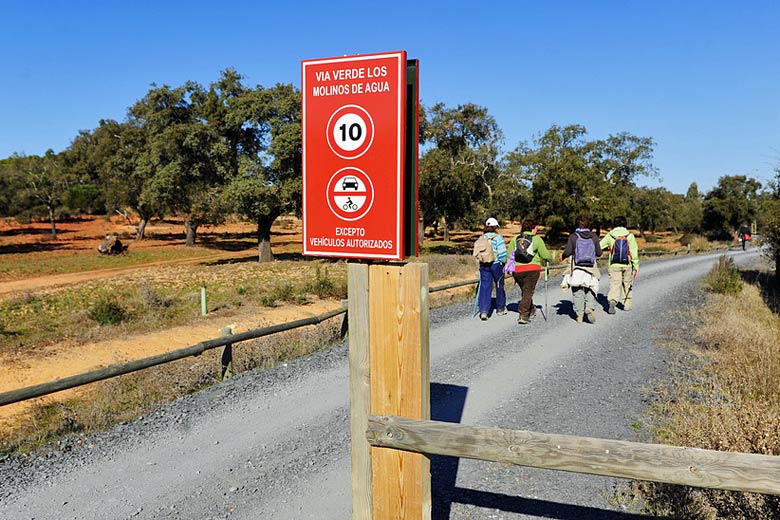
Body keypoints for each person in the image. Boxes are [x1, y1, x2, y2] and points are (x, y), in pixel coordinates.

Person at [560, 214, 602, 323]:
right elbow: (599, 253)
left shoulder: (573, 236)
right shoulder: (594, 237)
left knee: (577, 291)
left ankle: (579, 315)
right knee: (591, 288)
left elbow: (568, 251)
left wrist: (563, 256)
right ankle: (590, 307)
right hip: (591, 268)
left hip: (576, 267)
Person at [507, 219, 550, 324]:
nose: (537, 230)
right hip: (532, 269)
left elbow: (509, 254)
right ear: (532, 228)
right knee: (528, 292)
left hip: (517, 270)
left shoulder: (515, 239)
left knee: (526, 291)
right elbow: (545, 255)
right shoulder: (537, 240)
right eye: (536, 228)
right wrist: (548, 258)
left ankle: (531, 309)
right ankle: (524, 314)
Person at [599, 216, 639, 314]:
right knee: (627, 284)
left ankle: (612, 300)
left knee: (614, 284)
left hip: (613, 264)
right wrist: (636, 265)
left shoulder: (610, 235)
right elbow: (634, 252)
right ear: (625, 224)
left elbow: (599, 246)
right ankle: (627, 304)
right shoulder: (630, 236)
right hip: (627, 264)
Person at [477, 217, 508, 320]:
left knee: (485, 287)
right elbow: (502, 254)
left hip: (484, 264)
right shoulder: (498, 238)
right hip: (496, 265)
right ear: (495, 227)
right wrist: (504, 263)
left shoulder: (482, 237)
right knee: (499, 285)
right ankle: (500, 308)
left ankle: (484, 311)